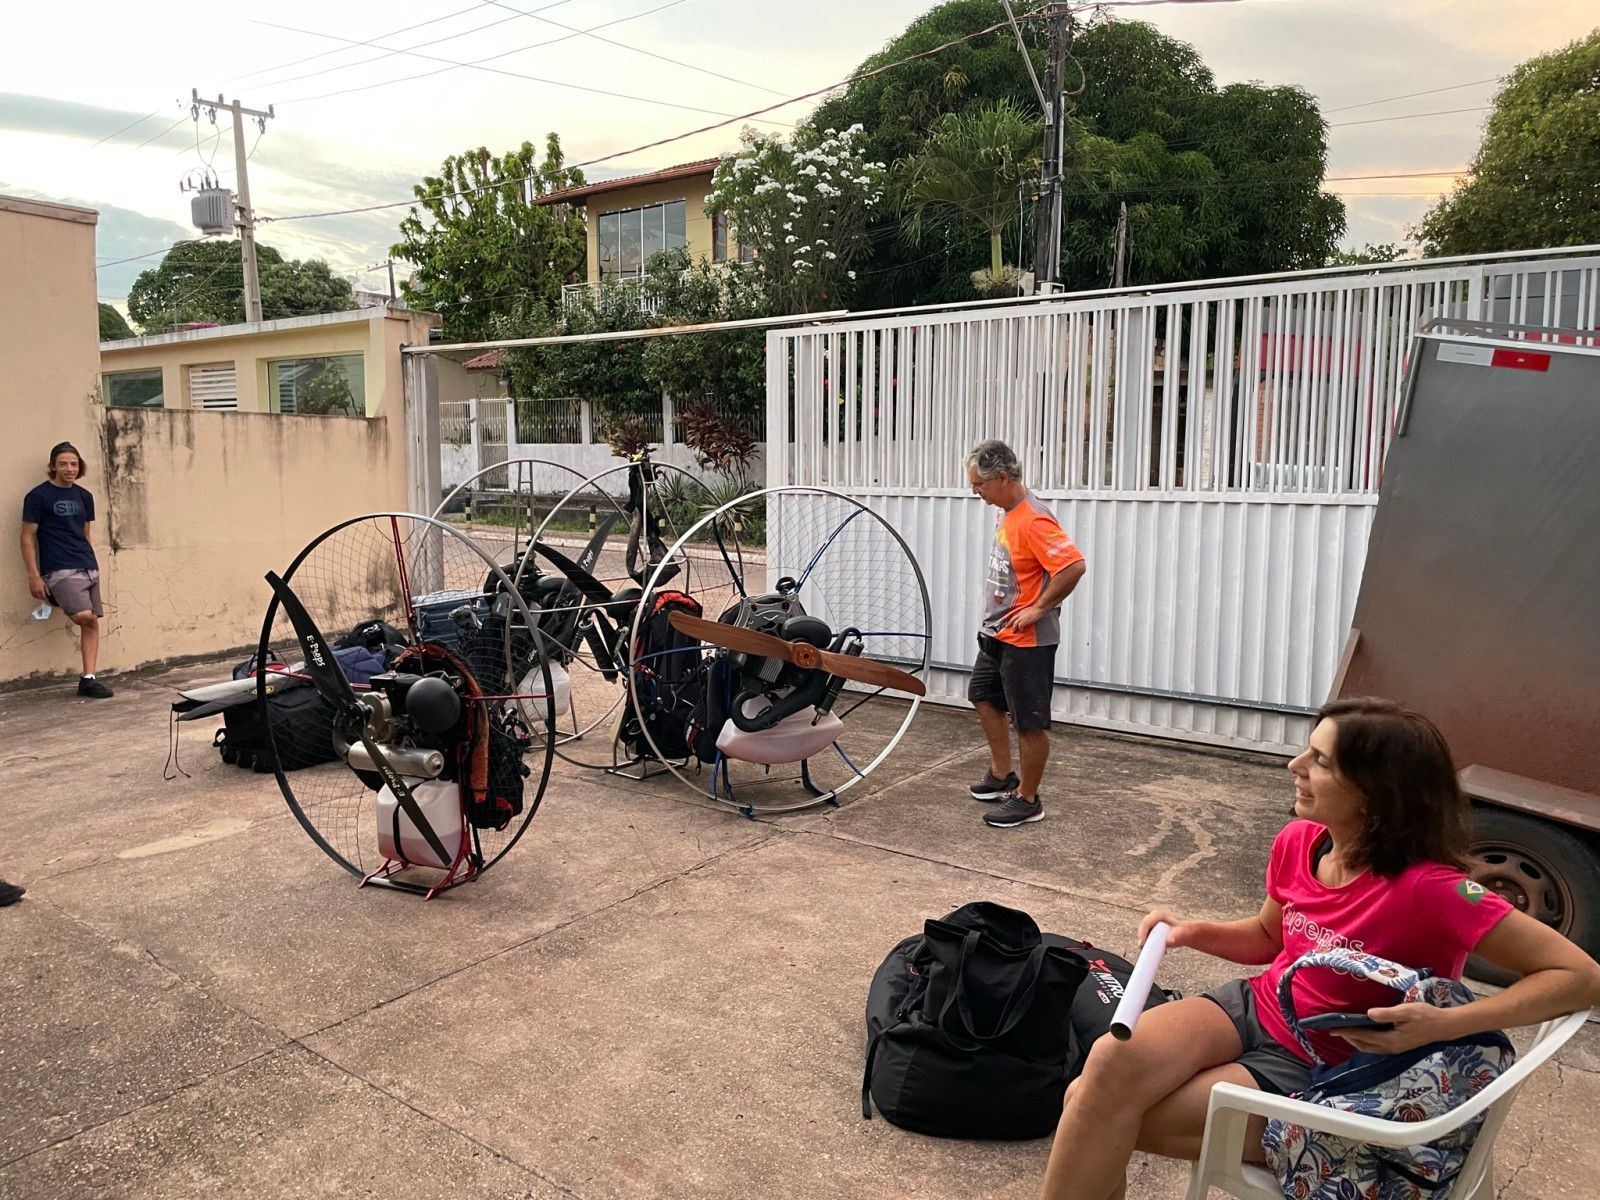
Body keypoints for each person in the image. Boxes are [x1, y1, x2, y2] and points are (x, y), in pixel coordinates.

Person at [1039, 697, 1600, 1200]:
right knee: (1106, 1069)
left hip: (1329, 1066)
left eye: (1321, 761)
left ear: (1377, 791)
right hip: (1258, 1005)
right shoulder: (1300, 841)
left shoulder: (1434, 890)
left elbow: (1580, 976)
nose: (1294, 767)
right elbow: (1268, 937)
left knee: (1093, 1109)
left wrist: (1444, 1024)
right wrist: (1191, 929)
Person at [964, 439, 1086, 828]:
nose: (975, 492)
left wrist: (1039, 608)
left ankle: (1028, 799)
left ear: (1001, 477)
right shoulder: (1008, 511)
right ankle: (1003, 775)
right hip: (999, 634)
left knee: (1030, 722)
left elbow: (1073, 566)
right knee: (982, 695)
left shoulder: (1034, 518)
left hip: (1028, 642)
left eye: (979, 485)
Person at [20, 442, 112, 698]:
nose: (69, 469)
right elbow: (27, 537)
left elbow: (85, 534)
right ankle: (56, 596)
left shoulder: (84, 496)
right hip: (59, 568)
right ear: (53, 466)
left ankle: (89, 679)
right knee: (85, 616)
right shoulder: (38, 496)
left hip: (87, 566)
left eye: (74, 464)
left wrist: (92, 563)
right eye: (63, 464)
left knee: (91, 623)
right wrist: (34, 576)